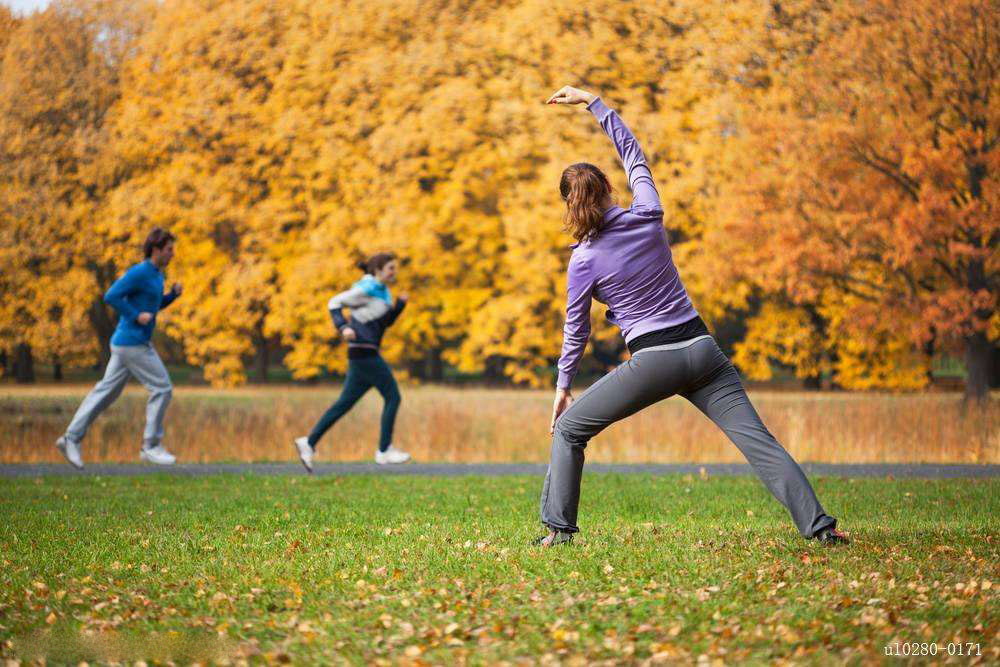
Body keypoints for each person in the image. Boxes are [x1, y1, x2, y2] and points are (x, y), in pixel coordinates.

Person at [536, 86, 849, 546]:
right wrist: (595, 102)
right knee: (759, 443)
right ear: (607, 188)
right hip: (704, 351)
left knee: (568, 429)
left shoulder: (583, 260)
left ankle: (558, 533)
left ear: (570, 204)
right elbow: (634, 155)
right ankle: (820, 529)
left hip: (655, 360)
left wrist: (563, 388)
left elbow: (575, 332)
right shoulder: (648, 212)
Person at [56, 227, 182, 469]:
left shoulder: (157, 275)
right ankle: (151, 446)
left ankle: (70, 438)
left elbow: (152, 307)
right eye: (169, 250)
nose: (172, 254)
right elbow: (111, 295)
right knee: (163, 388)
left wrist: (172, 296)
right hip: (133, 342)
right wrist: (135, 316)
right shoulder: (140, 272)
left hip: (127, 343)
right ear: (155, 250)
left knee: (105, 393)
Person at [294, 253, 411, 471]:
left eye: (395, 268)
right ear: (377, 270)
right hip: (364, 352)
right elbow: (334, 302)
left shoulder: (383, 292)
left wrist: (399, 306)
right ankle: (384, 451)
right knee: (393, 396)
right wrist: (343, 327)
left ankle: (308, 443)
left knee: (344, 404)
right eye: (391, 268)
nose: (394, 272)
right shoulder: (366, 288)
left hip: (362, 354)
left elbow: (384, 324)